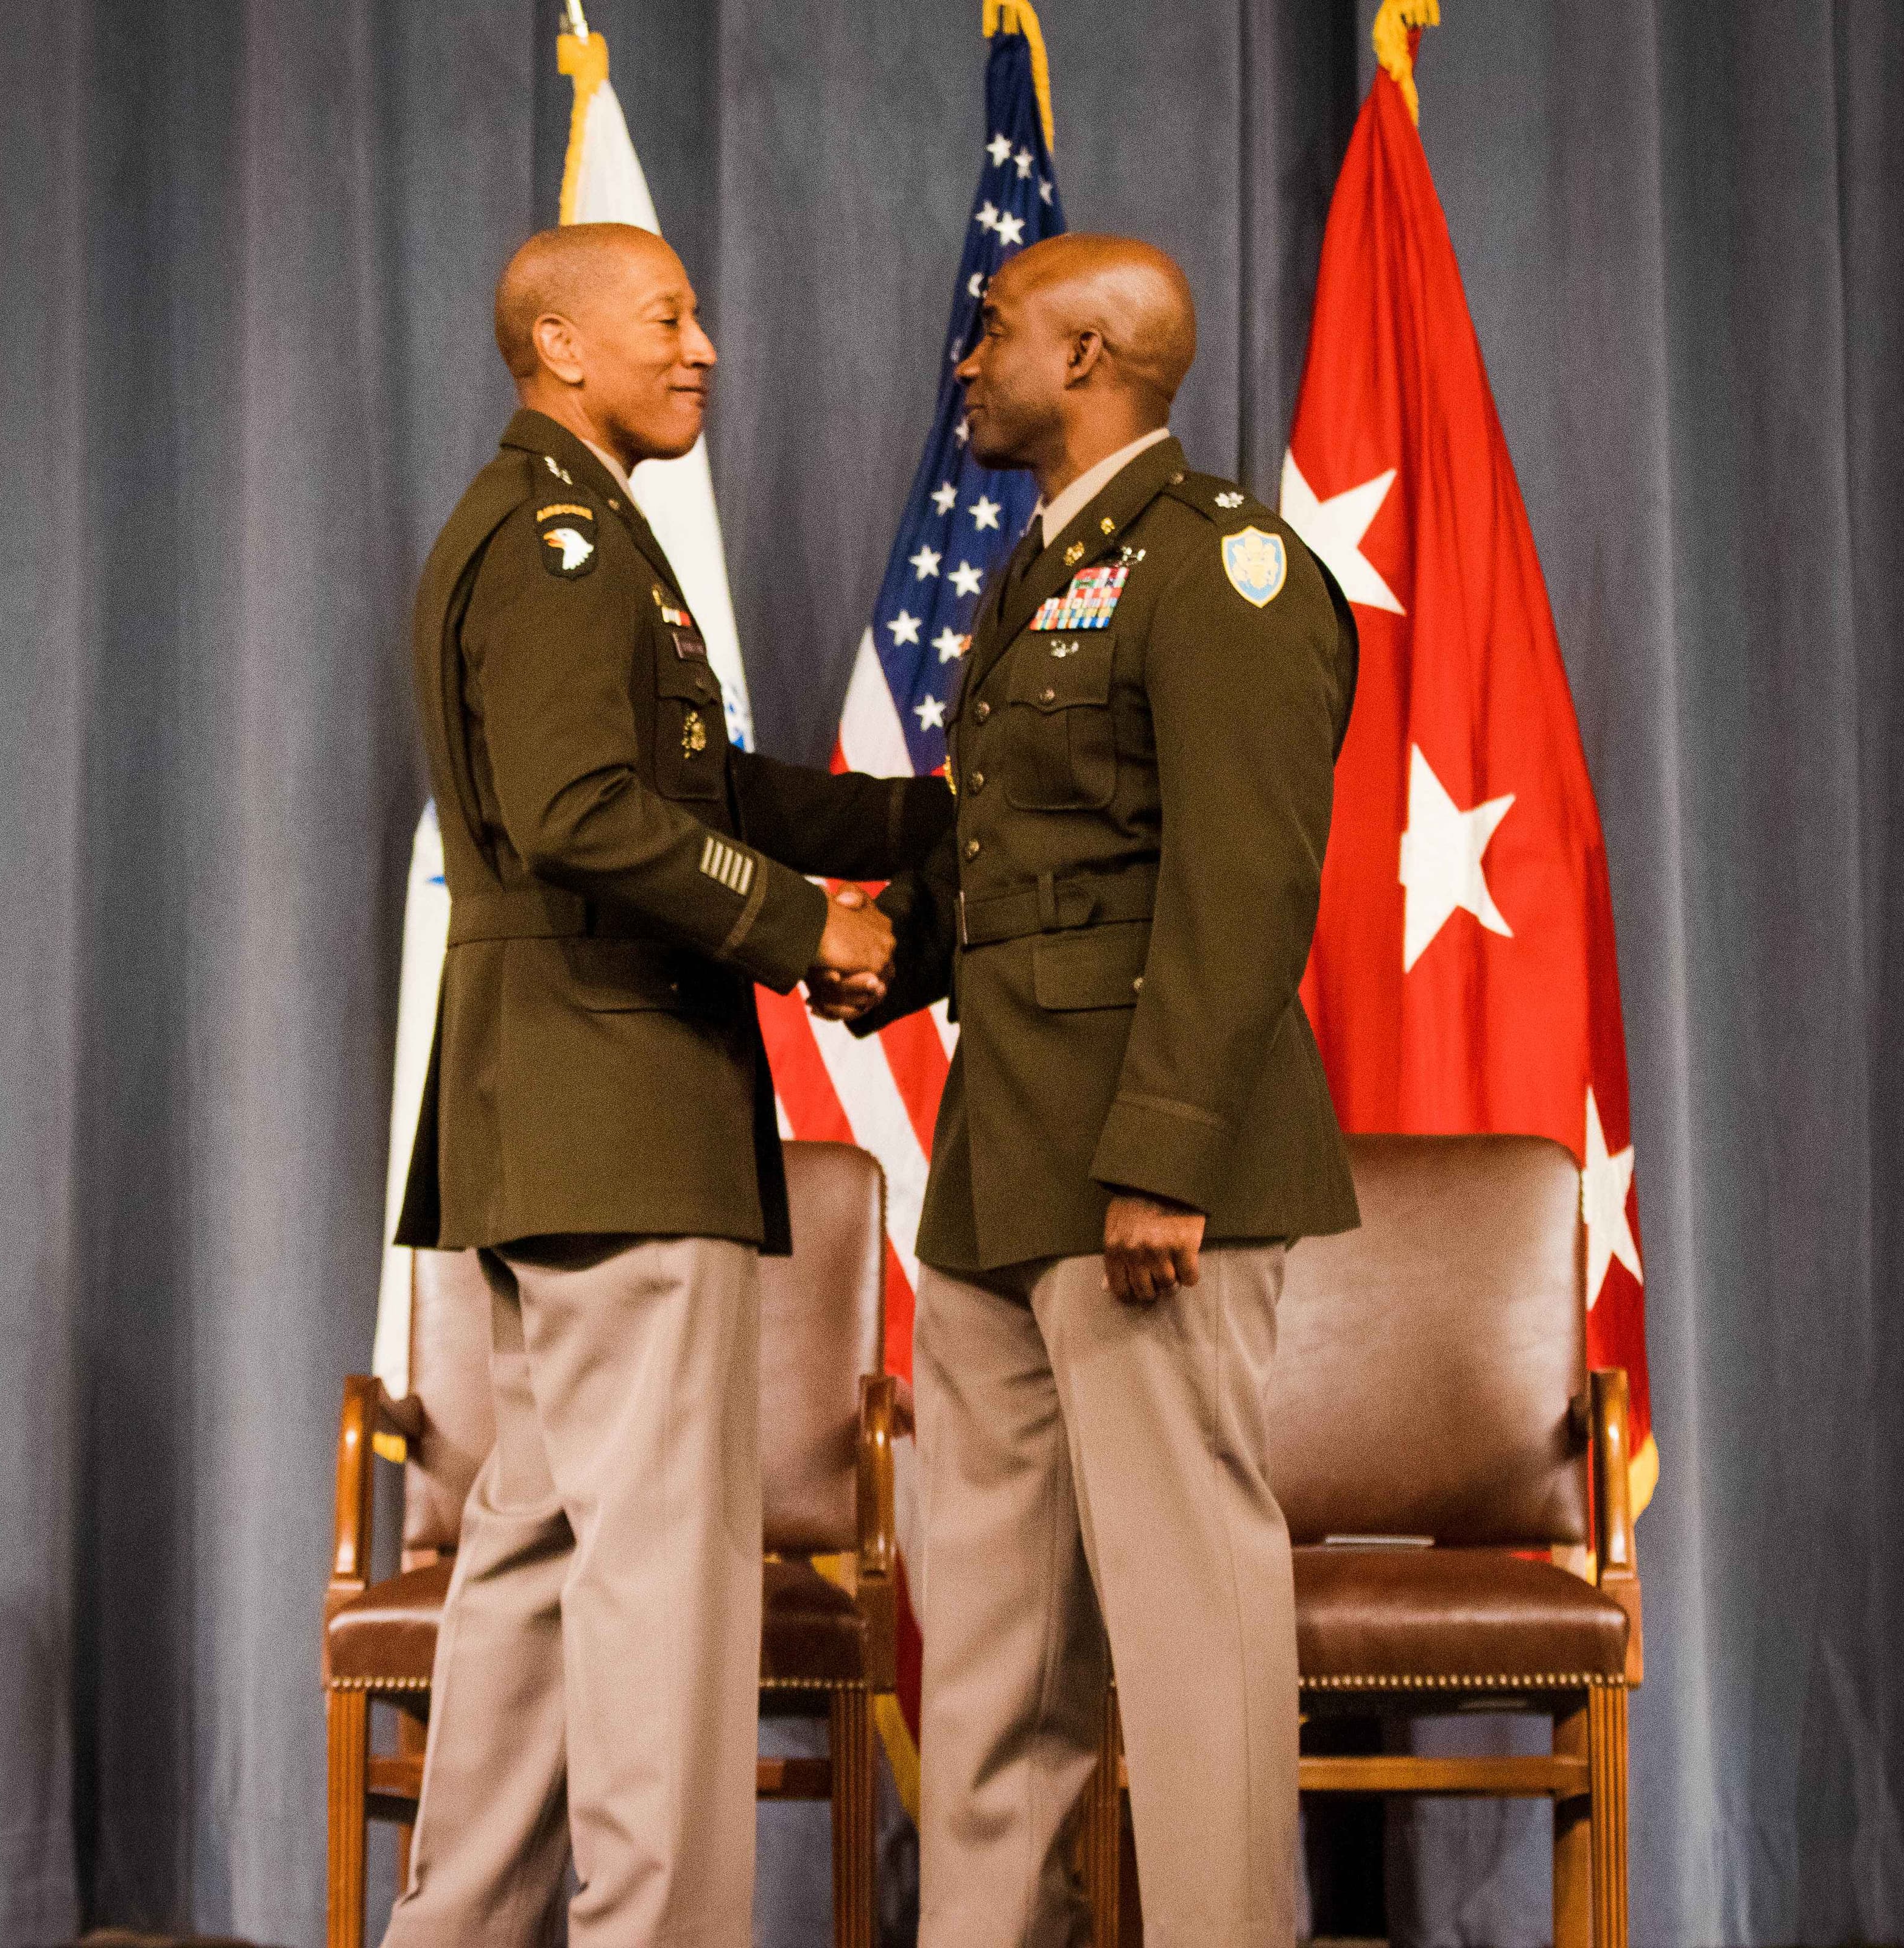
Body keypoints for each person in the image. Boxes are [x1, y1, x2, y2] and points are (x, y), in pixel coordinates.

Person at [384, 222, 946, 1948]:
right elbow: (584, 813)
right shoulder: (563, 544)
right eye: (668, 317)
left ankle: (458, 1929)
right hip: (616, 1118)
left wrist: (950, 832)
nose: (704, 346)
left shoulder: (572, 529)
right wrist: (819, 940)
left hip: (556, 1126)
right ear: (559, 346)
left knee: (543, 1569)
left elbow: (709, 784)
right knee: (661, 1587)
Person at [832, 233, 1361, 1945]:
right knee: (989, 1637)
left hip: (1147, 1176)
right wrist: (861, 951)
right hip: (1006, 1170)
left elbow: (1242, 880)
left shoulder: (1227, 573)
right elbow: (1022, 863)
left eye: (992, 330)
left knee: (1189, 1620)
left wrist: (1168, 1160)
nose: (967, 357)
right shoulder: (1037, 573)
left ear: (1089, 359)